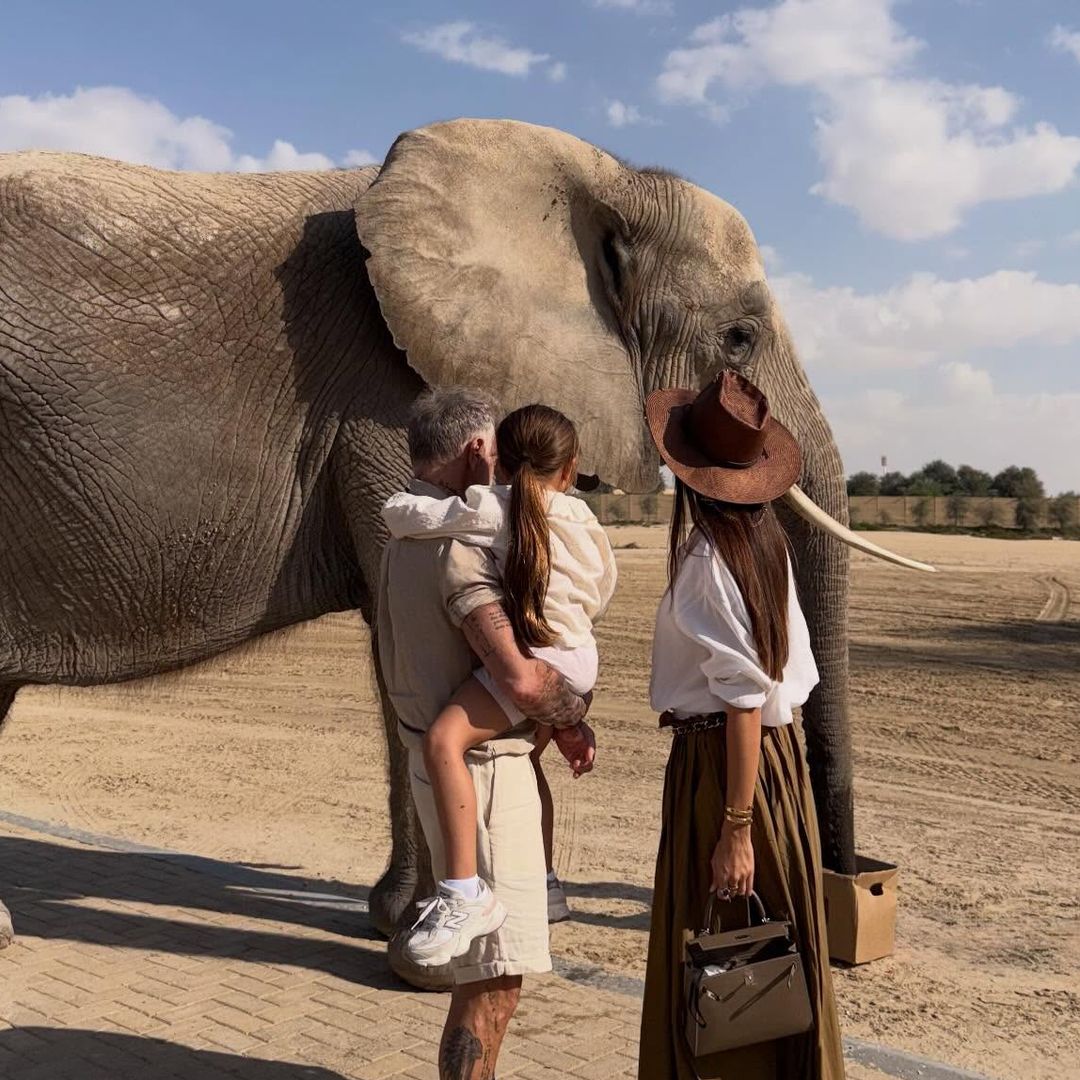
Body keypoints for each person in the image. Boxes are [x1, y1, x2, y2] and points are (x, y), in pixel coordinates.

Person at [376, 387, 597, 1080]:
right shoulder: (463, 556)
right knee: (495, 984)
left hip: (438, 770)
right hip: (488, 781)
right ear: (477, 450)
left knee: (484, 978)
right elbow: (524, 680)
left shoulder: (403, 540)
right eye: (498, 453)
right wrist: (572, 715)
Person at [638, 370, 845, 1079]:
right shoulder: (765, 546)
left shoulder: (706, 561)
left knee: (722, 958)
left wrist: (735, 824)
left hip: (727, 768)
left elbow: (743, 699)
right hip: (772, 768)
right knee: (775, 951)